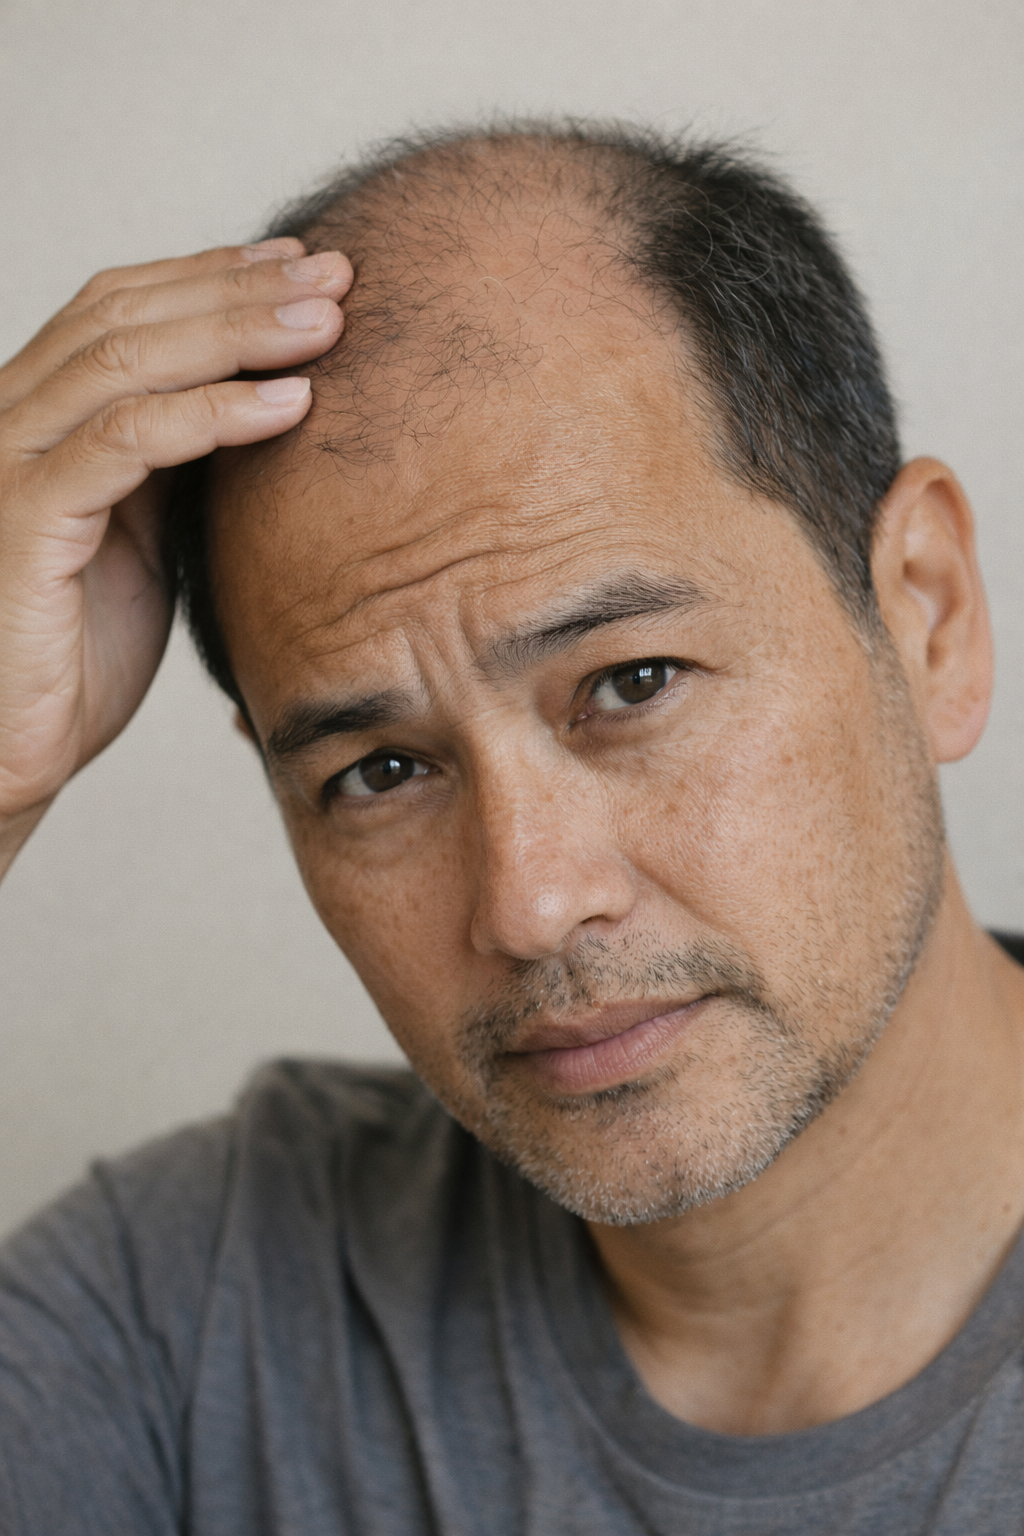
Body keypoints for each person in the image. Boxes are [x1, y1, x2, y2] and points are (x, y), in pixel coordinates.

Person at [0, 122, 1022, 1535]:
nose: (530, 903)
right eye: (380, 771)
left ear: (927, 613)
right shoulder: (197, 1311)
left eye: (630, 684)